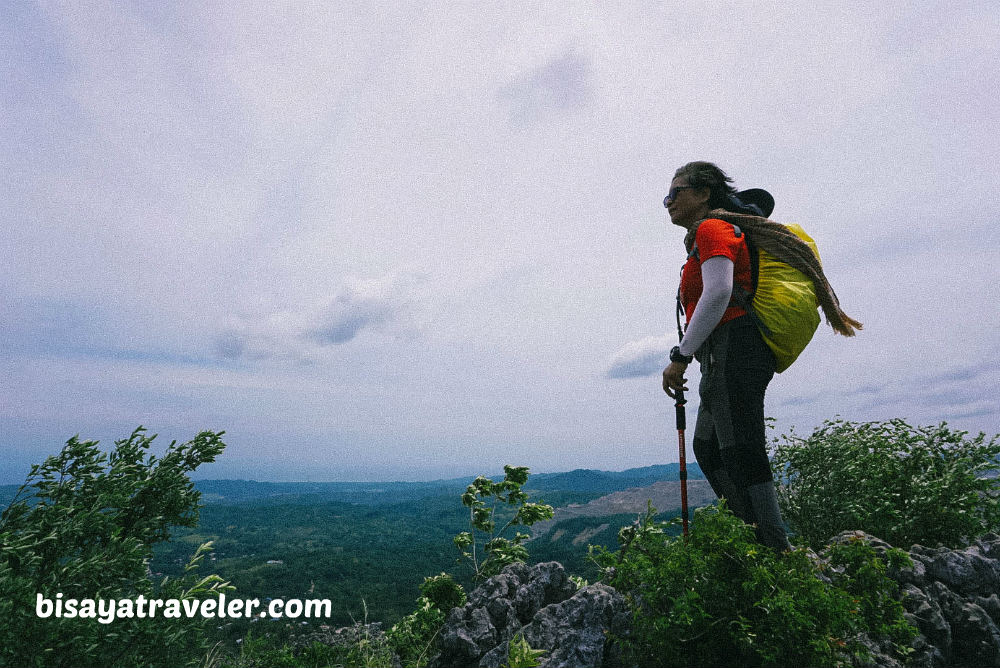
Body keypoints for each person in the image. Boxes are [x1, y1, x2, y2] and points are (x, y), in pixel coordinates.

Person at [660, 161, 843, 552]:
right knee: (710, 448)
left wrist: (680, 356)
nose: (667, 202)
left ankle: (775, 554)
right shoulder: (705, 235)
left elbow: (718, 292)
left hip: (735, 346)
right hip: (724, 352)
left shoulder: (712, 228)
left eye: (675, 192)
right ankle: (753, 539)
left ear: (704, 193)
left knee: (741, 447)